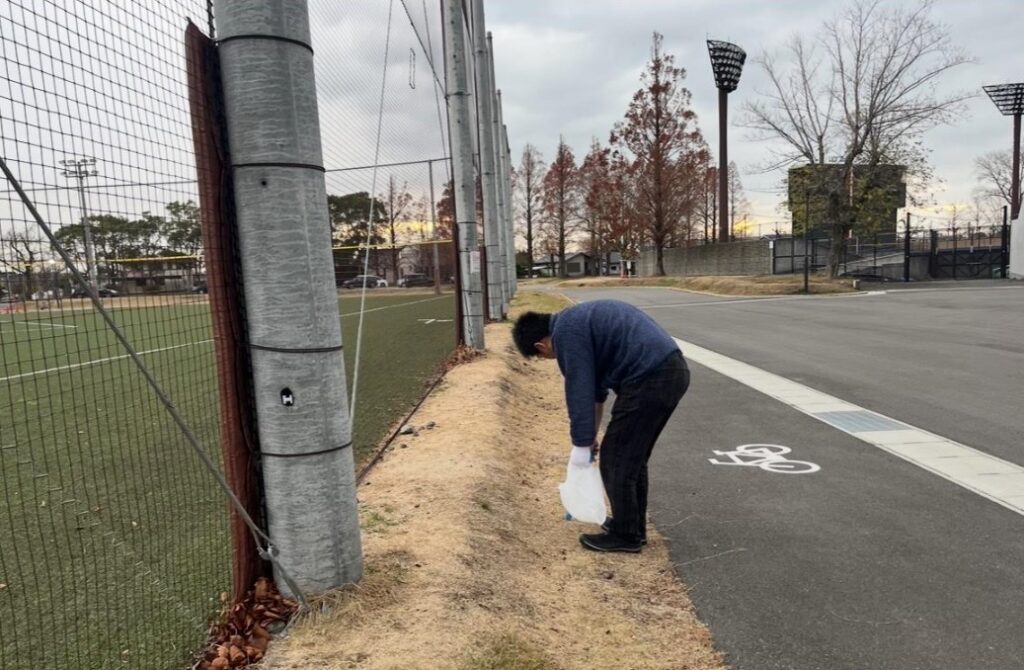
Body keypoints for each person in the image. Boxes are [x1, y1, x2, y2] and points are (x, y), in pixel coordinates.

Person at [512, 299, 690, 553]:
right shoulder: (576, 321)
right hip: (669, 370)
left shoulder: (566, 333)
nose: (551, 358)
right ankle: (631, 527)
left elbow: (580, 392)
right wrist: (589, 437)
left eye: (543, 357)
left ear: (541, 345)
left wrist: (580, 446)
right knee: (631, 459)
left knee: (616, 459)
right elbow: (596, 393)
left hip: (650, 377)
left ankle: (626, 536)